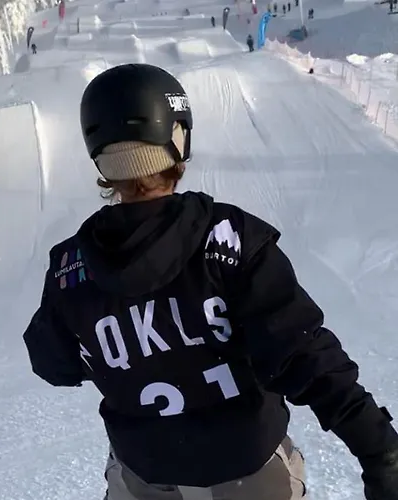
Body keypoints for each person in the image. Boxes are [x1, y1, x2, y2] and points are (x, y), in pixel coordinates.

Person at [22, 63, 398, 500]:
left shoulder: (72, 267)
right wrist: (378, 448)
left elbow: (53, 363)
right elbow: (301, 352)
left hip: (145, 474)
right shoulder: (230, 239)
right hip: (247, 471)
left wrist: (121, 349)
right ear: (177, 140)